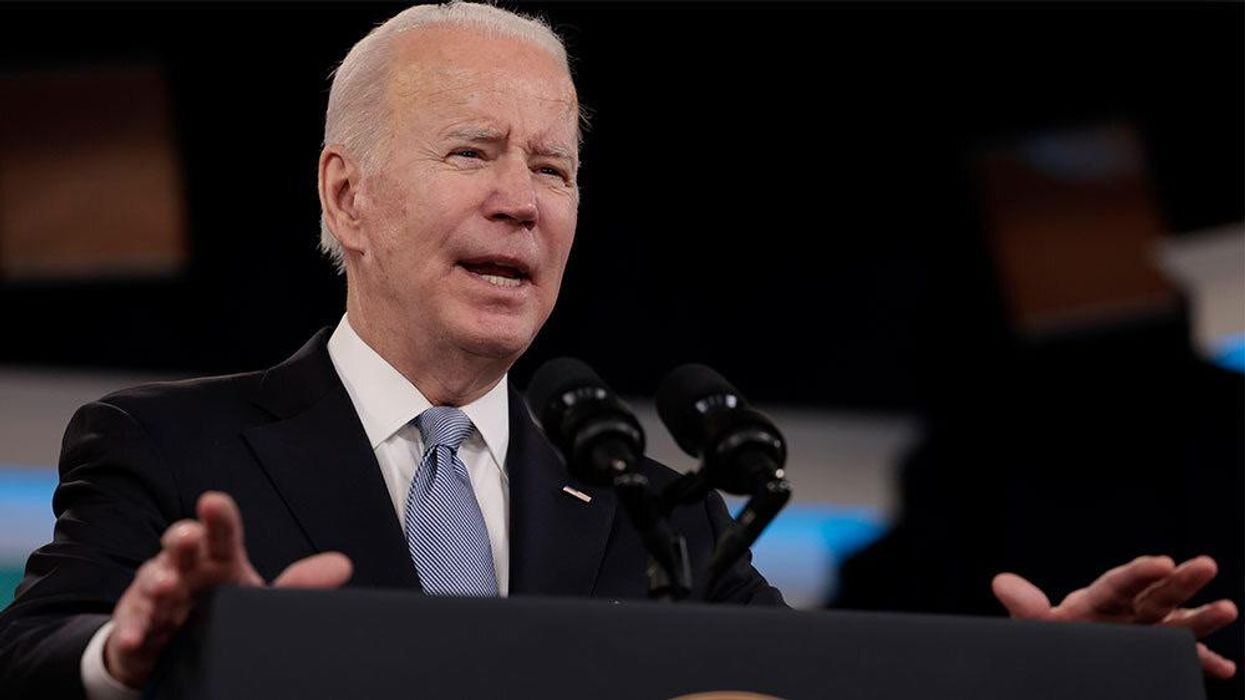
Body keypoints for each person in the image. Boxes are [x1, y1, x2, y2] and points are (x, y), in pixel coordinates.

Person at [0, 3, 1235, 699]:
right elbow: (37, 656)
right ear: (347, 196)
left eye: (555, 168)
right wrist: (136, 652)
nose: (523, 201)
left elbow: (814, 691)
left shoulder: (661, 514)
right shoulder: (168, 443)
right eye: (474, 153)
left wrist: (1042, 682)